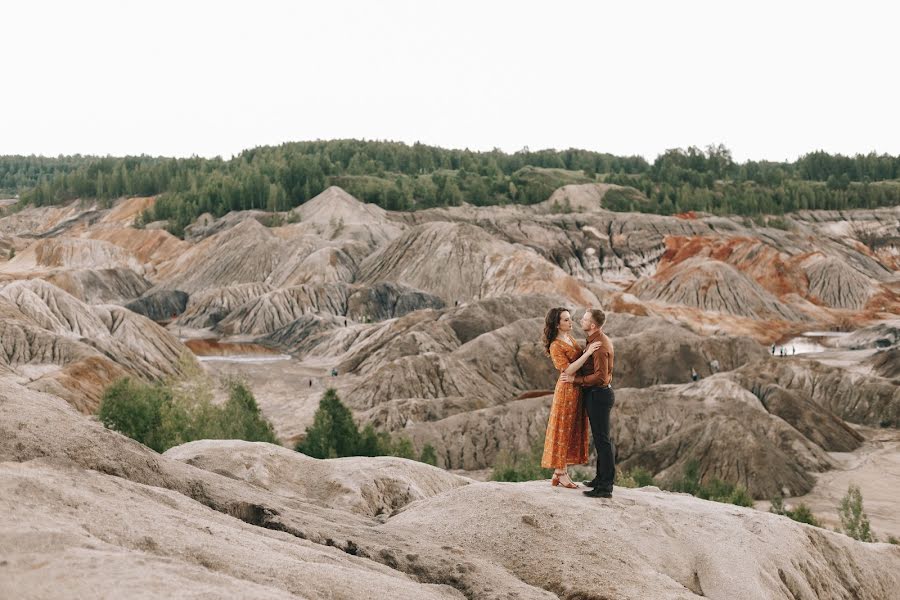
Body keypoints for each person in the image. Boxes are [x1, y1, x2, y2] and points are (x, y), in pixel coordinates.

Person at [540, 307, 602, 489]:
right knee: (563, 430)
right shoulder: (555, 345)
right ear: (557, 324)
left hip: (576, 388)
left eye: (570, 318)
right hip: (566, 390)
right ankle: (561, 473)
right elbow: (567, 370)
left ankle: (558, 473)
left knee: (571, 429)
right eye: (566, 320)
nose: (571, 322)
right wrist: (589, 353)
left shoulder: (569, 338)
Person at [561, 307, 616, 499]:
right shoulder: (595, 341)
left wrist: (575, 381)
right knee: (602, 440)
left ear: (592, 325)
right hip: (598, 394)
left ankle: (605, 488)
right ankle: (600, 479)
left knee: (603, 441)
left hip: (598, 394)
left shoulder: (599, 345)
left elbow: (601, 377)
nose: (580, 321)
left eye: (584, 320)